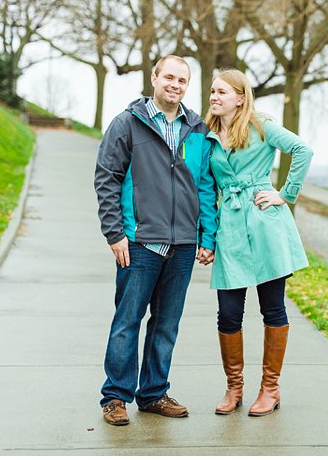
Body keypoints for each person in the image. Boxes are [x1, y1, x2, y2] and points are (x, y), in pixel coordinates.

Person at [94, 54, 217, 426]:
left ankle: (153, 393)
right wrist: (114, 233)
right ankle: (115, 396)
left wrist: (206, 236)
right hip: (139, 243)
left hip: (181, 246)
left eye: (182, 80)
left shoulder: (196, 130)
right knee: (127, 321)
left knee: (166, 324)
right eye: (169, 77)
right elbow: (107, 178)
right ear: (154, 78)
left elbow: (205, 186)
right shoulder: (127, 124)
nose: (175, 85)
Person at [205, 69, 313, 417]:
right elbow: (205, 189)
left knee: (272, 308)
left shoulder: (261, 126)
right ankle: (234, 387)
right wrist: (204, 237)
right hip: (231, 228)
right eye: (212, 91)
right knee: (229, 313)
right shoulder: (206, 136)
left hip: (265, 224)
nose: (215, 97)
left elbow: (302, 150)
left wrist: (285, 194)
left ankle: (270, 388)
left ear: (240, 97)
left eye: (222, 92)